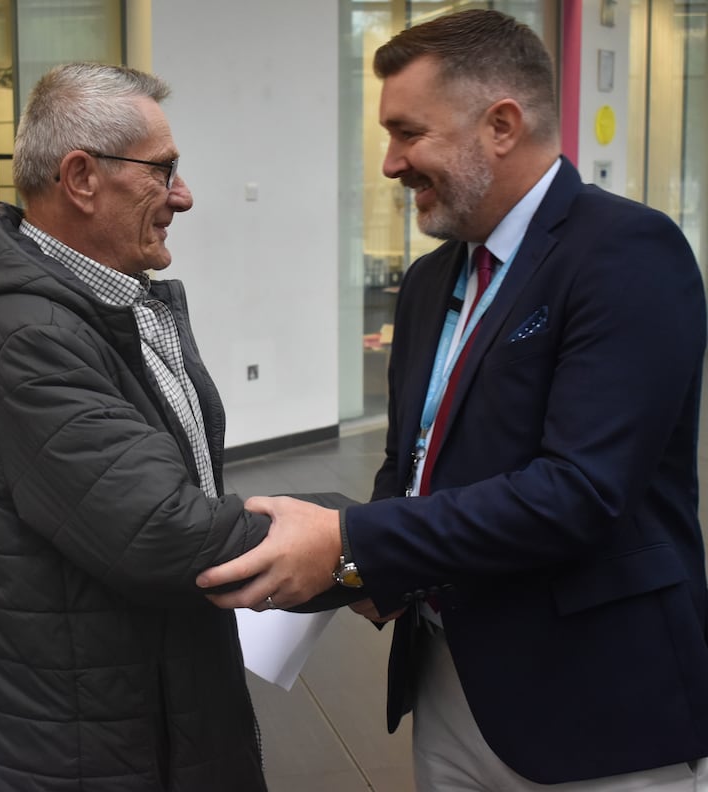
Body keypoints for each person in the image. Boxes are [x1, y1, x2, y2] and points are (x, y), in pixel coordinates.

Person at [197, 9, 708, 791]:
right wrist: (359, 569)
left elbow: (578, 493)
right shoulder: (434, 278)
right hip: (449, 679)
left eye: (408, 133)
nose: (391, 163)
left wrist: (349, 540)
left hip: (594, 702)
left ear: (501, 125)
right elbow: (415, 462)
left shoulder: (626, 253)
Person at [0, 62, 274, 792]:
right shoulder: (26, 333)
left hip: (137, 698)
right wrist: (348, 545)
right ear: (81, 178)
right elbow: (158, 528)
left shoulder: (105, 303)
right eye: (164, 170)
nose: (184, 195)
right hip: (78, 739)